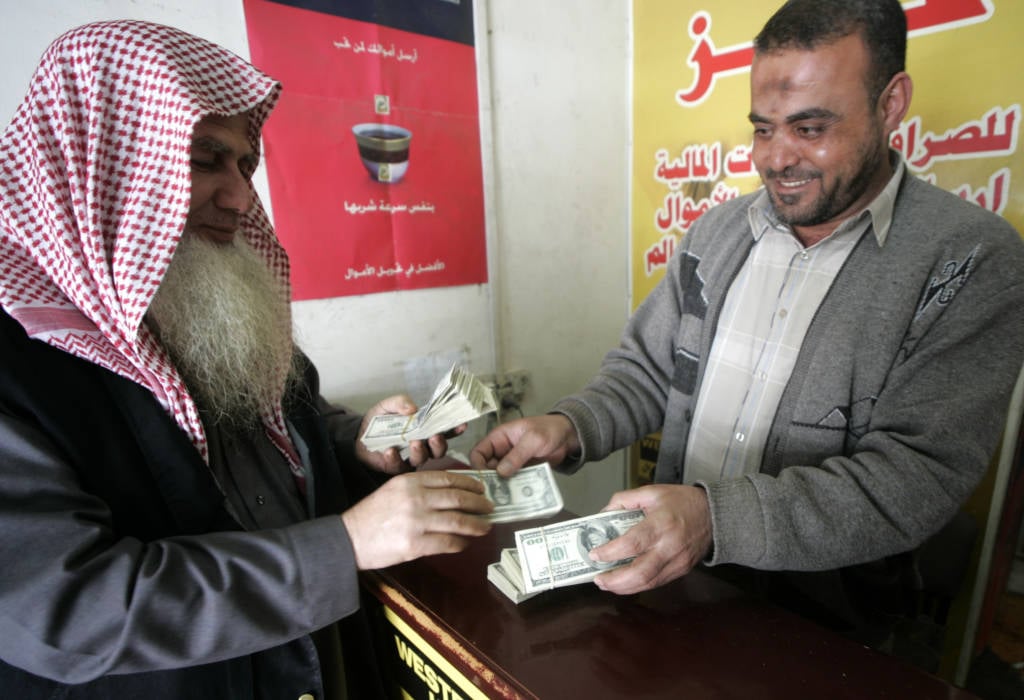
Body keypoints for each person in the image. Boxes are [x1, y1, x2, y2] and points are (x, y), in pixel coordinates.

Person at [472, 0, 1024, 647]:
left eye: (810, 127)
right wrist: (571, 426)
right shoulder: (719, 231)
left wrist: (715, 518)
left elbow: (913, 477)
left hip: (827, 630)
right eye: (763, 129)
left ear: (891, 103)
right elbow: (649, 370)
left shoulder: (971, 261)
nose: (776, 159)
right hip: (672, 587)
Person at [0, 20, 494, 699]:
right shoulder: (18, 362)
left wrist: (362, 442)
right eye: (205, 159)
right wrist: (343, 547)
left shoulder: (203, 301)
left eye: (244, 165)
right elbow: (67, 608)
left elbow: (290, 433)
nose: (239, 198)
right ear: (103, 158)